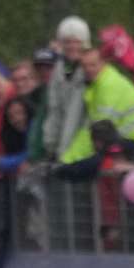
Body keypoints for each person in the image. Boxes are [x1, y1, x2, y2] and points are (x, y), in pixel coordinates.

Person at [61, 48, 134, 164]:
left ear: (103, 63)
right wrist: (68, 158)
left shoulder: (108, 86)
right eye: (84, 66)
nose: (88, 69)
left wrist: (67, 161)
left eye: (93, 65)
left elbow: (98, 133)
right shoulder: (99, 84)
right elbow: (90, 129)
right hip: (128, 142)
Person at [43, 15, 90, 162]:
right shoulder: (59, 71)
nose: (72, 46)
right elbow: (54, 109)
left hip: (84, 148)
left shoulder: (90, 70)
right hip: (61, 148)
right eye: (67, 42)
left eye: (76, 42)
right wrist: (50, 144)